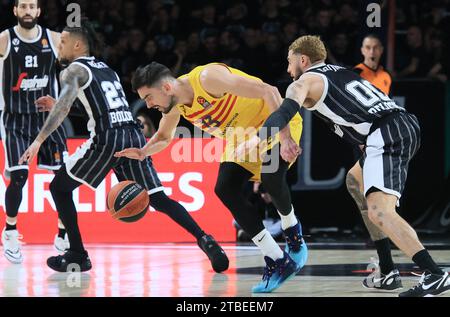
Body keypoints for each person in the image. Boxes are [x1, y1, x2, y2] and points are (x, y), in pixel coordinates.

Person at [243, 35, 449, 297]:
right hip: (396, 124)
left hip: (385, 132)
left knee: (379, 212)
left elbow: (284, 112)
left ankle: (434, 274)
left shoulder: (303, 82)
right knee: (355, 181)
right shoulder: (342, 72)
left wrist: (254, 139)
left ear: (303, 59)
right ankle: (387, 272)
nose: (287, 69)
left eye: (289, 61)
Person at [19, 20, 229, 274]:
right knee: (159, 199)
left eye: (63, 42)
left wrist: (38, 140)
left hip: (107, 139)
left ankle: (77, 253)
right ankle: (205, 239)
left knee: (59, 188)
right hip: (131, 134)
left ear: (77, 45)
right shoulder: (106, 68)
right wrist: (59, 104)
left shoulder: (73, 70)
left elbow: (66, 109)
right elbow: (95, 109)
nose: (58, 47)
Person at [114, 61, 308, 293]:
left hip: (274, 124)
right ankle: (277, 259)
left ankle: (293, 232)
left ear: (166, 87)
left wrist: (285, 137)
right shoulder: (175, 105)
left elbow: (270, 91)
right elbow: (164, 137)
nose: (148, 104)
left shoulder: (208, 78)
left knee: (270, 177)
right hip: (242, 139)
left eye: (149, 97)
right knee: (224, 188)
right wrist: (144, 151)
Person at [0, 0, 69, 263]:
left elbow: (74, 69)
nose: (28, 11)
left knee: (64, 180)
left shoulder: (54, 39)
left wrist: (63, 98)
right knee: (18, 178)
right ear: (15, 11)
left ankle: (63, 234)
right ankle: (10, 231)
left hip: (48, 119)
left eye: (32, 6)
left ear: (39, 11)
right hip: (15, 120)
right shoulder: (5, 40)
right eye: (23, 6)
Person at [350, 33, 397, 287]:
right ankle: (384, 252)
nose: (372, 51)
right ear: (362, 49)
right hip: (364, 140)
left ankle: (388, 261)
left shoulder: (386, 76)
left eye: (376, 47)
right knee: (359, 186)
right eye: (367, 47)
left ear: (380, 50)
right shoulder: (356, 73)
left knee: (373, 191)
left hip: (383, 139)